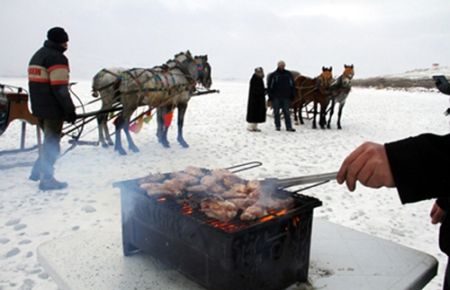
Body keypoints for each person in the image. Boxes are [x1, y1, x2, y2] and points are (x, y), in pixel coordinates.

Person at [28, 27, 76, 191]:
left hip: (38, 107)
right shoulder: (57, 58)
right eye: (65, 41)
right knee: (53, 145)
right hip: (52, 110)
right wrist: (69, 110)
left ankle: (36, 171)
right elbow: (59, 88)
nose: (67, 44)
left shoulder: (38, 55)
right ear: (61, 41)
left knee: (48, 142)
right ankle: (47, 179)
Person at [267, 61, 296, 132]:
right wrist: (270, 96)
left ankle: (288, 127)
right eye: (281, 65)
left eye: (283, 65)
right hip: (276, 97)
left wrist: (292, 94)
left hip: (286, 97)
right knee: (276, 112)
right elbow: (270, 87)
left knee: (287, 112)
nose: (282, 66)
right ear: (278, 66)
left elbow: (292, 85)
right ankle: (278, 126)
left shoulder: (288, 74)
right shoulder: (273, 75)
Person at [246, 67, 266, 132]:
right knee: (253, 113)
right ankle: (250, 127)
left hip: (259, 99)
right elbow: (255, 90)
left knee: (258, 114)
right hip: (254, 100)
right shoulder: (254, 79)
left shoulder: (260, 79)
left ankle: (255, 127)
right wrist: (262, 92)